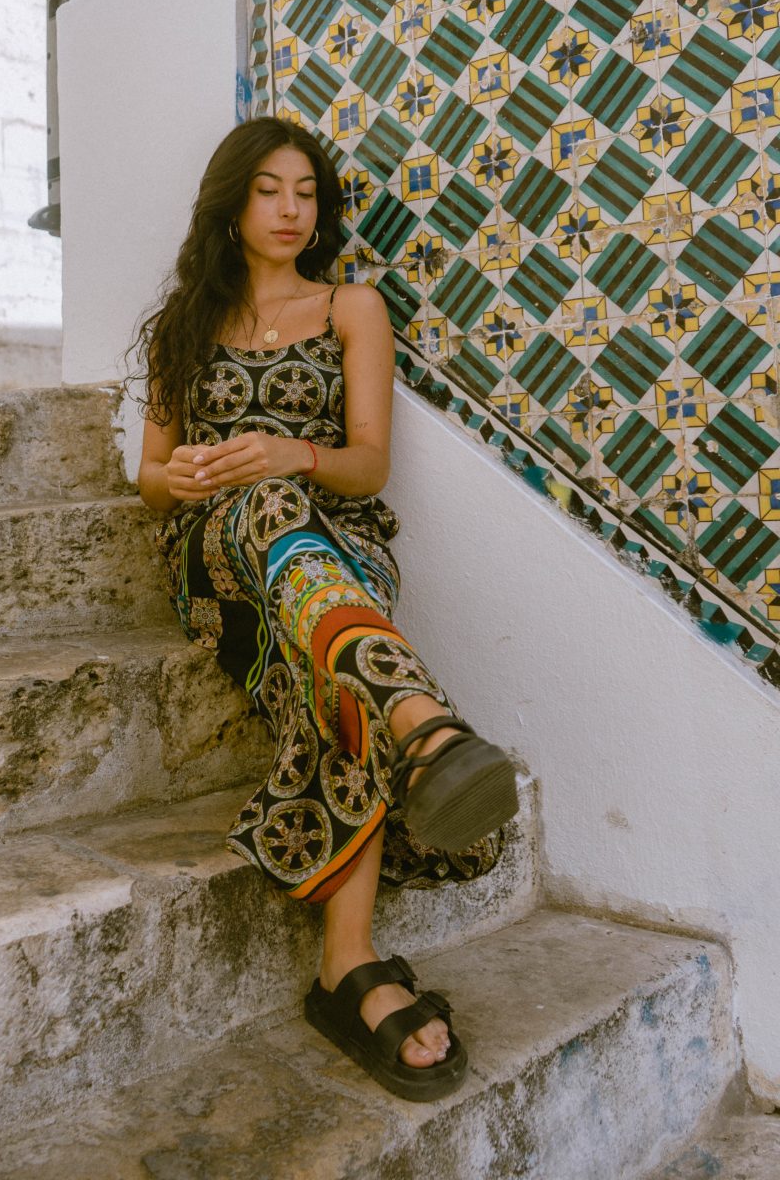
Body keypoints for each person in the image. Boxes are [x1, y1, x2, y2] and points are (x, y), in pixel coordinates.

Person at [134, 115, 518, 1101]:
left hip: (340, 553)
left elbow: (368, 465)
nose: (290, 209)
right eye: (269, 190)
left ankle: (347, 965)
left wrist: (292, 452)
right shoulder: (184, 323)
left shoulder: (353, 308)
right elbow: (150, 477)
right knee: (267, 508)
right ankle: (422, 727)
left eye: (306, 192)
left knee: (330, 665)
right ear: (231, 204)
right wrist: (185, 477)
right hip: (218, 563)